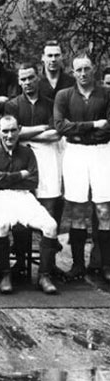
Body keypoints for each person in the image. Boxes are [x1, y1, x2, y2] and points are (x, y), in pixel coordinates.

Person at [0, 115, 59, 294]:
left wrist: (5, 178)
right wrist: (20, 175)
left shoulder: (27, 152)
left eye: (13, 130)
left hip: (24, 197)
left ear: (19, 130)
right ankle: (5, 275)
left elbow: (33, 181)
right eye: (5, 131)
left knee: (51, 226)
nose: (9, 135)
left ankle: (44, 276)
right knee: (1, 225)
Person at [54, 54, 110, 282]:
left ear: (93, 69)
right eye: (79, 70)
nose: (83, 73)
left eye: (87, 68)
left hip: (102, 152)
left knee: (104, 209)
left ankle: (106, 265)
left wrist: (80, 132)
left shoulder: (106, 93)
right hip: (75, 153)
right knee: (77, 210)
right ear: (73, 71)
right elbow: (60, 126)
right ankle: (78, 265)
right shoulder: (64, 95)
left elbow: (109, 128)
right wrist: (92, 125)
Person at [4, 63, 64, 274]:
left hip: (48, 157)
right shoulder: (12, 105)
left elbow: (55, 133)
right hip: (21, 156)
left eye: (30, 78)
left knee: (48, 206)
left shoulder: (50, 103)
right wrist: (40, 129)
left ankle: (49, 265)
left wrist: (25, 133)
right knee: (22, 205)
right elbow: (12, 133)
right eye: (23, 79)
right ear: (19, 81)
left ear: (37, 77)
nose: (27, 82)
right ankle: (21, 261)